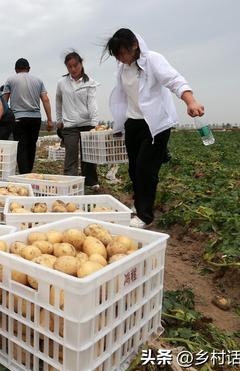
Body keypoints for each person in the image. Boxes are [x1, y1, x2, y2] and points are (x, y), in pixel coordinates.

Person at [104, 28, 205, 228]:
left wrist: (190, 101)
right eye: (116, 55)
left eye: (122, 53)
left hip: (154, 124)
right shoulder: (123, 67)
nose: (120, 58)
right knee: (134, 168)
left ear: (134, 46)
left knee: (145, 168)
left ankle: (145, 215)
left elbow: (174, 80)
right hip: (133, 122)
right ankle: (139, 205)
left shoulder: (153, 60)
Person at [55, 51, 99, 189]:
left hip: (86, 124)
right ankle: (70, 182)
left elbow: (92, 103)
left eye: (76, 65)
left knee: (88, 155)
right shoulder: (62, 83)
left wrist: (95, 123)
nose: (73, 69)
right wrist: (59, 119)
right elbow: (58, 101)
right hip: (69, 125)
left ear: (81, 64)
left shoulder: (89, 82)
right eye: (70, 67)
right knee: (71, 154)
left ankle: (90, 182)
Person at [3, 58, 53, 174]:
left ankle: (24, 174)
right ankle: (28, 171)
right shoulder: (38, 81)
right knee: (31, 146)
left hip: (18, 118)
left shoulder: (10, 80)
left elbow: (4, 101)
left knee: (21, 147)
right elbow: (45, 99)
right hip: (35, 119)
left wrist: (4, 120)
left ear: (16, 70)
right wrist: (50, 120)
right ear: (29, 69)